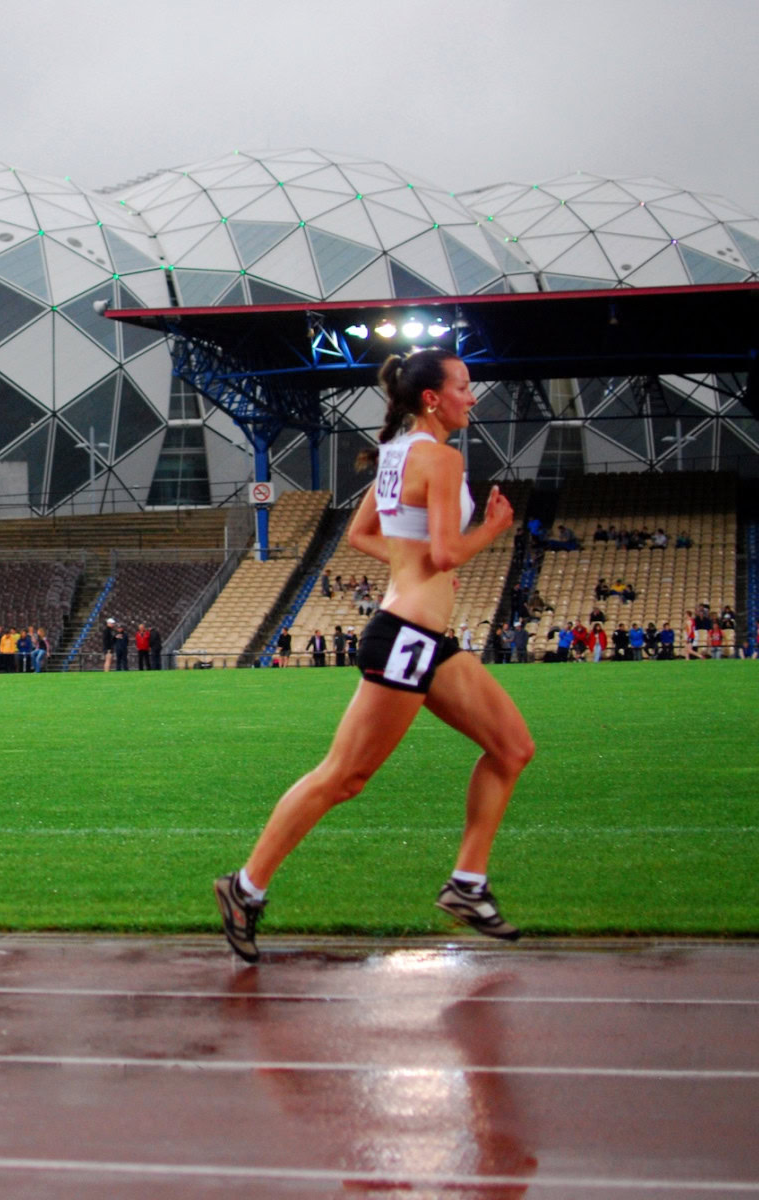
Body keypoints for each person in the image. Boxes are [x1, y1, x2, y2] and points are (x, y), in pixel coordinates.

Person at [213, 348, 531, 964]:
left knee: (512, 747)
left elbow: (366, 537)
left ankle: (467, 884)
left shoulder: (395, 455)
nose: (474, 396)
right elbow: (443, 553)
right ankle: (244, 888)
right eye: (465, 387)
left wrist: (416, 569)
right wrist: (492, 529)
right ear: (432, 399)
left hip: (424, 638)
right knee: (343, 776)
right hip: (408, 638)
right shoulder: (439, 457)